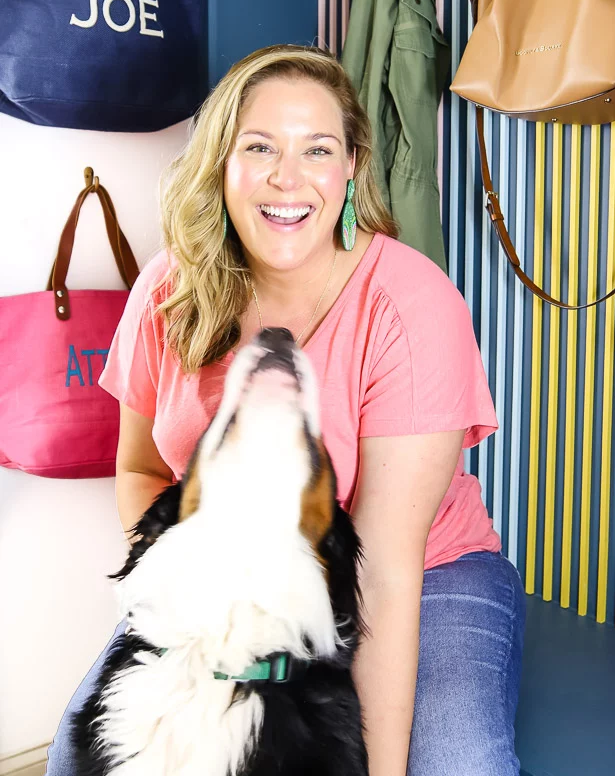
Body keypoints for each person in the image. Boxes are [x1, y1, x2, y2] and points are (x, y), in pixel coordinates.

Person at [46, 45, 525, 776]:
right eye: (260, 146)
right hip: (224, 582)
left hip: (427, 574)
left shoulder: (411, 305)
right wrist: (190, 588)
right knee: (72, 757)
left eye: (318, 149)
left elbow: (386, 573)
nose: (287, 177)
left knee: (459, 766)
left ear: (352, 168)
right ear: (221, 162)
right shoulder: (168, 289)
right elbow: (141, 468)